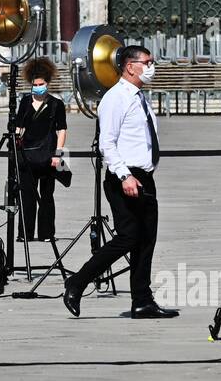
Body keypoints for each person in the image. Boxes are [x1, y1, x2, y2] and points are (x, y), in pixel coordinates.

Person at [63, 45, 178, 319]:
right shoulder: (116, 98)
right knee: (128, 237)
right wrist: (125, 175)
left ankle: (142, 300)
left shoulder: (140, 98)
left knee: (146, 240)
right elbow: (107, 143)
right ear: (130, 66)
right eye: (147, 62)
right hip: (124, 178)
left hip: (144, 177)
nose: (152, 67)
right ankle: (77, 282)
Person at [14, 58, 68, 243]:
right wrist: (16, 139)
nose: (38, 87)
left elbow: (62, 130)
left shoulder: (56, 104)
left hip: (48, 155)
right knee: (26, 196)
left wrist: (58, 154)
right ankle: (25, 233)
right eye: (35, 84)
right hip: (26, 155)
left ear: (47, 83)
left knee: (47, 196)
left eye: (41, 84)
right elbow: (19, 126)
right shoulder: (25, 102)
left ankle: (46, 233)